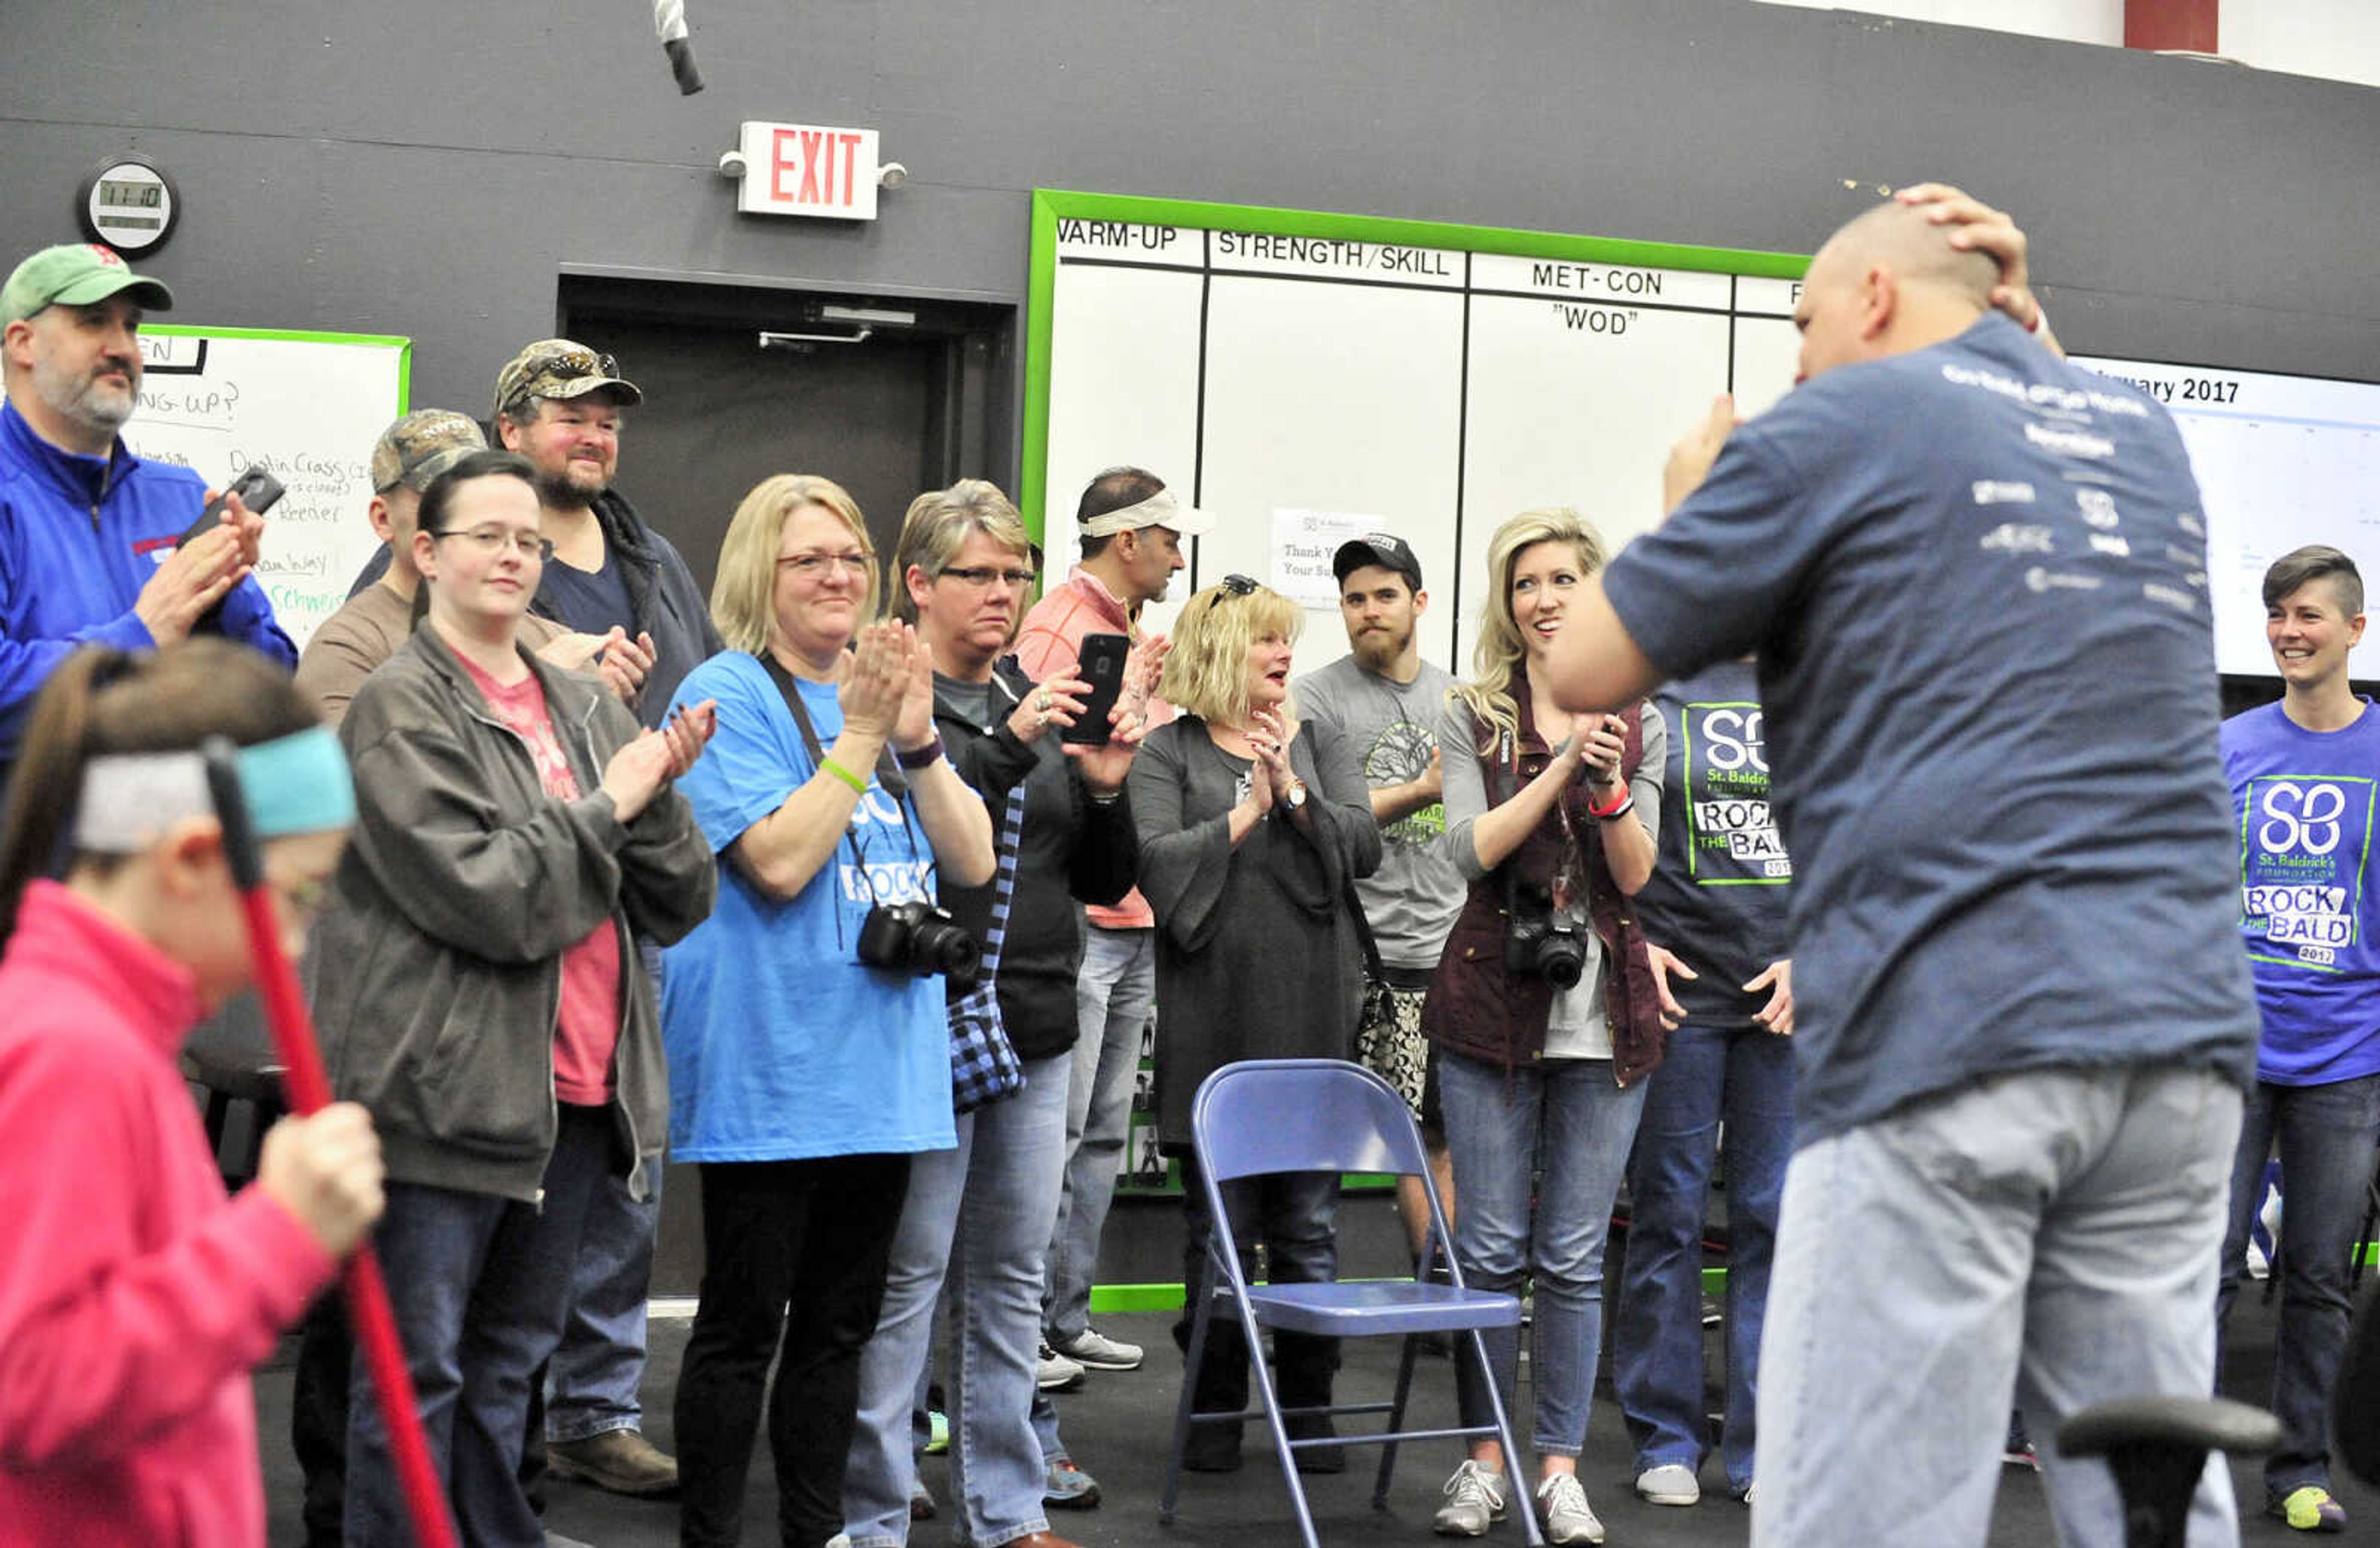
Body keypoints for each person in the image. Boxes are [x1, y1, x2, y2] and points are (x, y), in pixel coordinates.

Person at [1543, 186, 2260, 1548]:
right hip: (2180, 1046)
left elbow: (1585, 666)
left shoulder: (1839, 419)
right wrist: (2014, 313)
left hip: (1957, 1034)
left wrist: (1688, 503)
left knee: (1863, 1513)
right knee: (2148, 1495)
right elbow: (2005, 437)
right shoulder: (2140, 432)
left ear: (1873, 300)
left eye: (1806, 320)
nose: (1797, 357)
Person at [310, 449, 717, 1548]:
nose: (512, 554)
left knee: (508, 1372)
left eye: (529, 539)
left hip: (578, 1098)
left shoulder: (585, 701)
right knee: (416, 1378)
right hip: (442, 1098)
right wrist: (614, 801)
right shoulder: (400, 705)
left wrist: (658, 789)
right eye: (486, 534)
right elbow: (492, 898)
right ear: (425, 552)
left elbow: (680, 898)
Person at [659, 473, 993, 1548]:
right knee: (743, 1326)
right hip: (774, 1064)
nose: (840, 575)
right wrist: (858, 736)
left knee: (839, 1333)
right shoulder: (726, 690)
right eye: (811, 558)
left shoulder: (884, 683)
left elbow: (974, 858)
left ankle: (818, 1534)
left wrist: (922, 737)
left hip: (881, 1069)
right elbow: (780, 861)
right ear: (763, 572)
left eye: (851, 554)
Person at [0, 639, 382, 1548]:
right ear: (192, 857)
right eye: (298, 899)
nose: (293, 946)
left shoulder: (110, 1034)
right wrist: (277, 1236)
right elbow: (31, 1382)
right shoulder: (72, 1050)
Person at [842, 479, 1142, 1548]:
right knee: (908, 1274)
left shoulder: (1035, 697)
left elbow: (1104, 878)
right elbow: (915, 827)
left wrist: (1106, 785)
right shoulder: (884, 695)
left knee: (1012, 1275)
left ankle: (1006, 1508)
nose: (1004, 594)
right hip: (920, 1016)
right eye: (979, 574)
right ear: (918, 583)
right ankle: (873, 1509)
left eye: (1017, 574)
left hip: (1036, 1022)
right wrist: (1011, 739)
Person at [1419, 508, 1665, 1547]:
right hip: (1490, 1007)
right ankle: (1483, 1461)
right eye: (1527, 582)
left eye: (1565, 578)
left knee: (1569, 1256)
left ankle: (1558, 1468)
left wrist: (1607, 787)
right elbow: (1468, 849)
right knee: (1486, 1245)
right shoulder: (1470, 711)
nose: (1546, 596)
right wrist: (1560, 765)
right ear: (1505, 602)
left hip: (1607, 1018)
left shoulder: (1639, 710)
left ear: (1595, 591)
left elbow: (1639, 875)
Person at [1127, 574, 1381, 1474]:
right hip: (1214, 1026)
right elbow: (1157, 867)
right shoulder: (1169, 753)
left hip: (1311, 1019)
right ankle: (1215, 1405)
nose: (1284, 656)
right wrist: (1246, 809)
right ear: (1217, 652)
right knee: (1219, 1234)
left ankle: (1309, 1406)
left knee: (1310, 1226)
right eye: (1265, 641)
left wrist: (1296, 792)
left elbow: (1363, 847)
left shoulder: (1322, 741)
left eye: (1286, 640)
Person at [1013, 465, 1205, 1386]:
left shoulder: (1128, 632)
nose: (1178, 554)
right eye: (1169, 538)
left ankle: (1065, 1315)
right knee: (1051, 1132)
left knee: (1095, 1133)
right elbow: (1045, 771)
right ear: (1128, 540)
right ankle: (1025, 1329)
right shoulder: (1058, 628)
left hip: (1131, 918)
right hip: (1082, 921)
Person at [2214, 543, 2380, 1534]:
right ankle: (2182, 1468)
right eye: (2277, 612)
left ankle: (2297, 1471)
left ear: (2355, 629)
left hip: (2346, 1062)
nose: (2288, 630)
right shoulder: (2231, 745)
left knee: (2320, 1278)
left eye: (2309, 614)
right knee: (2208, 1272)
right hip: (2231, 1054)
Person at [1610, 657, 1794, 1510]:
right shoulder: (1657, 682)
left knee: (1773, 1221)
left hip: (1786, 1001)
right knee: (1669, 1215)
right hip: (1680, 992)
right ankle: (1667, 1437)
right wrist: (1632, 942)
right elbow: (1605, 827)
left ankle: (1766, 1446)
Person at [0, 244, 294, 773]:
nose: (124, 348)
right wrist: (139, 637)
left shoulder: (181, 497)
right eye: (94, 323)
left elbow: (272, 688)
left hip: (178, 848)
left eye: (132, 327)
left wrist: (224, 600)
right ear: (23, 342)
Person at [1292, 531, 1465, 1262]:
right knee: (1321, 1138)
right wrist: (1422, 789)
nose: (1368, 611)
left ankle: (1442, 1292)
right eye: (1355, 599)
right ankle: (1305, 1295)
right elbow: (1317, 823)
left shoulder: (1458, 699)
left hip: (1444, 950)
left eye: (1385, 595)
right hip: (1350, 954)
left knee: (1437, 1137)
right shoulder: (1314, 698)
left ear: (1418, 603)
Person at [295, 409, 646, 730]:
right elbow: (376, 784)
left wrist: (610, 717)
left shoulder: (552, 640)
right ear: (383, 518)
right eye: (439, 496)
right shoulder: (350, 646)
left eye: (479, 493)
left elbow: (595, 785)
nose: (468, 509)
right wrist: (527, 693)